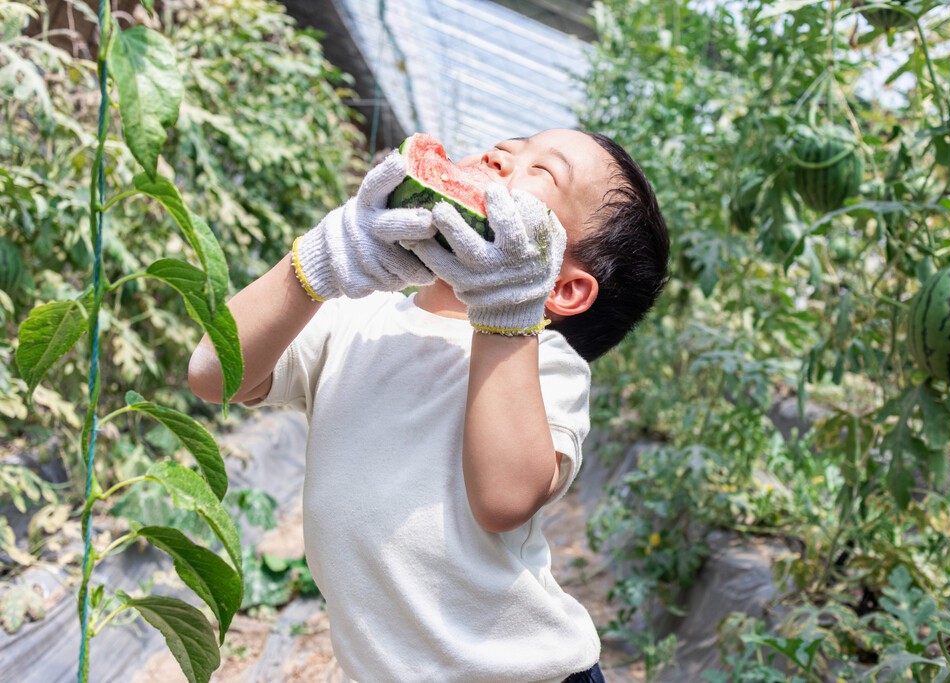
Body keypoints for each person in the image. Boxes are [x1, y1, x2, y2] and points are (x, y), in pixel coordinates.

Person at [188, 128, 669, 683]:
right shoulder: (355, 322)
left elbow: (505, 498)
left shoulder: (543, 366)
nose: (500, 154)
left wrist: (508, 312)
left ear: (561, 288)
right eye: (512, 143)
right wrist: (319, 262)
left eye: (544, 171)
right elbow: (213, 375)